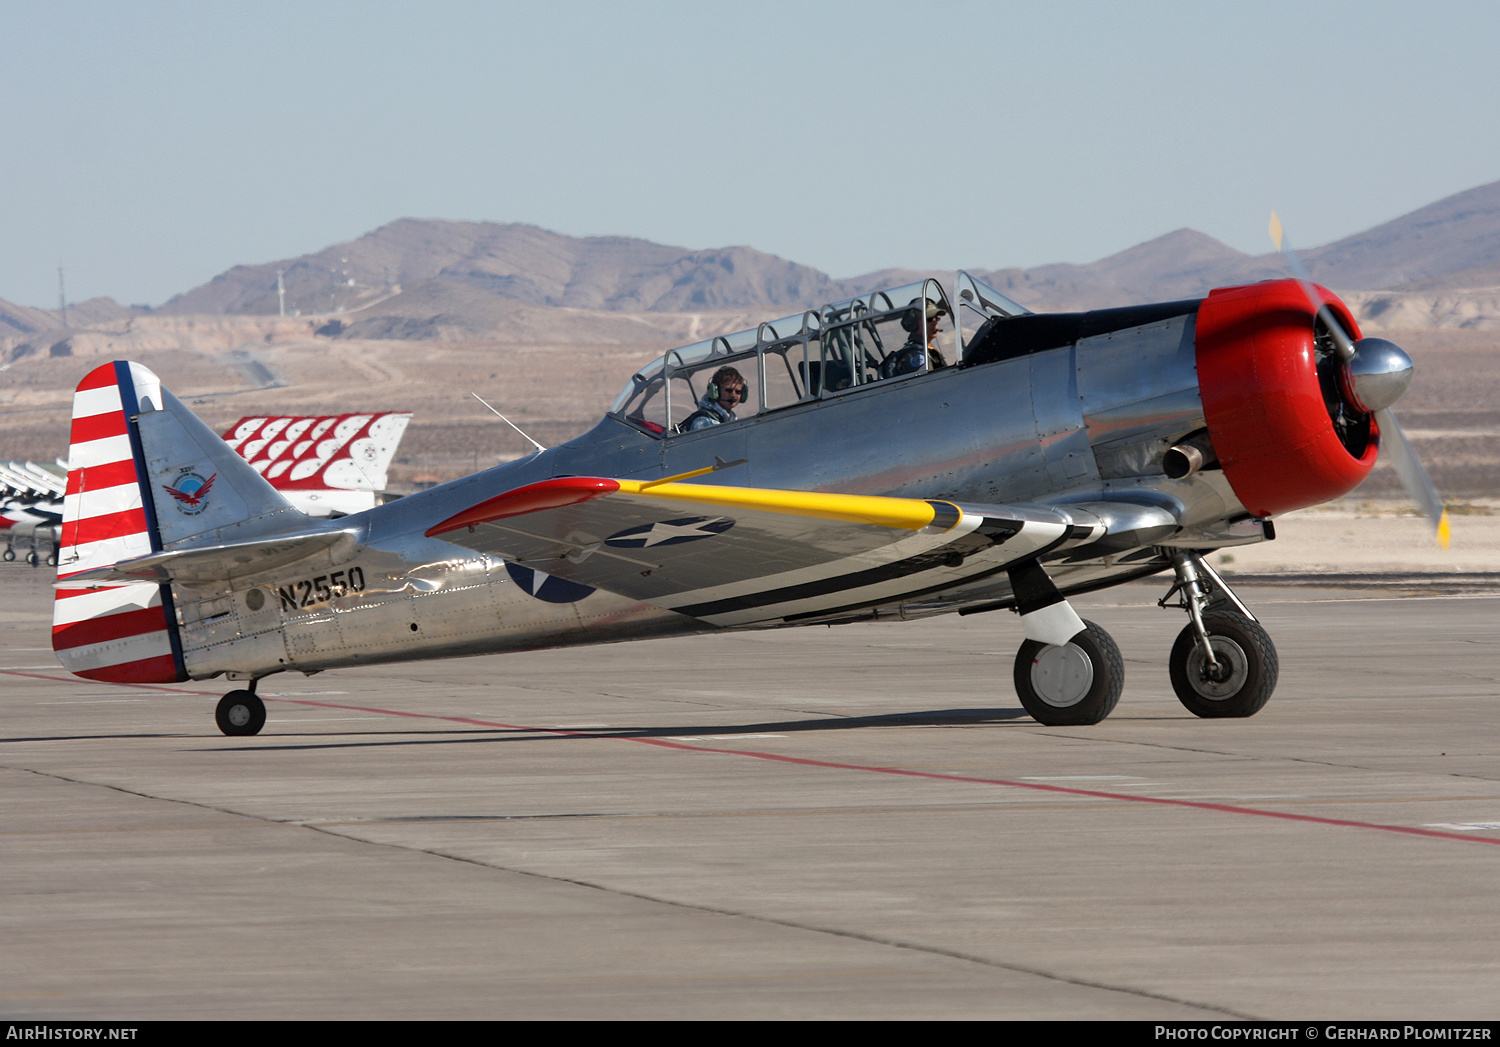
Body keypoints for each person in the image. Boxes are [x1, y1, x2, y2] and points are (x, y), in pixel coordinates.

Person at [880, 299, 948, 380]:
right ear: (913, 323)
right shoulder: (915, 356)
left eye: (936, 318)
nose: (934, 322)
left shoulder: (928, 350)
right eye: (929, 319)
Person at [683, 366, 747, 431]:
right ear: (715, 391)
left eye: (738, 392)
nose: (733, 395)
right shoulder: (706, 422)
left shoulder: (729, 417)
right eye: (728, 390)